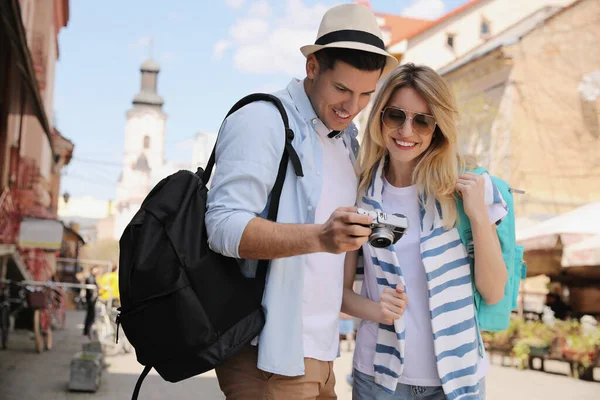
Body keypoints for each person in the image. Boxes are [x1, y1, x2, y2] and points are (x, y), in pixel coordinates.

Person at [205, 4, 398, 399]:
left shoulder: (346, 140)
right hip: (268, 356)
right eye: (342, 89)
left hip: (322, 354)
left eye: (365, 94)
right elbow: (222, 226)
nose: (352, 106)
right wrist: (320, 237)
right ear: (312, 67)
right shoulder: (264, 119)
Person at [342, 63, 509, 400]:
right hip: (379, 380)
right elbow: (339, 292)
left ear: (438, 128)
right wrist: (377, 309)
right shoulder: (359, 194)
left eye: (422, 120)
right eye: (395, 116)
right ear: (379, 118)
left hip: (457, 382)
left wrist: (478, 215)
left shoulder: (469, 189)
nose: (407, 131)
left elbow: (493, 292)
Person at [83, 266, 98, 337]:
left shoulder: (92, 277)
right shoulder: (90, 278)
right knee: (91, 316)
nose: (97, 271)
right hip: (91, 300)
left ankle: (87, 331)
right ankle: (87, 331)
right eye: (96, 269)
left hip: (91, 300)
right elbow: (92, 289)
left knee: (90, 316)